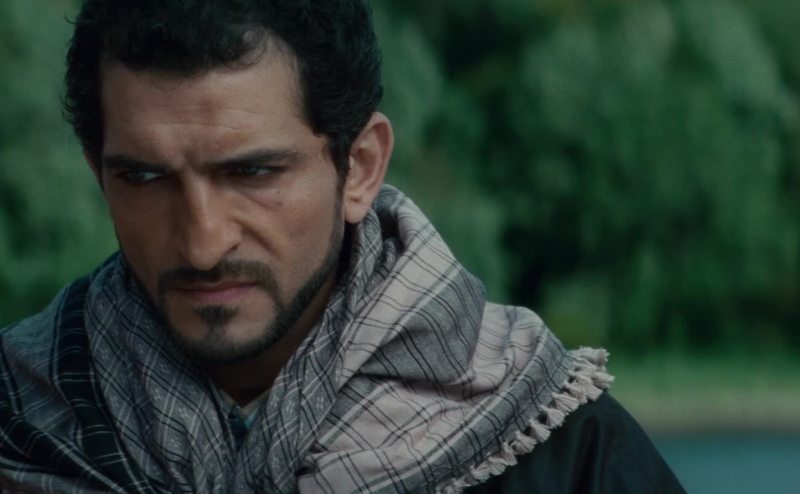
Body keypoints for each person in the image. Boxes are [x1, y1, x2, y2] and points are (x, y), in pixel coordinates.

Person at [0, 0, 684, 492]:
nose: (203, 244)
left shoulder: (566, 455)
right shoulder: (17, 423)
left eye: (253, 173)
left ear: (359, 168)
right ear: (99, 173)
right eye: (146, 178)